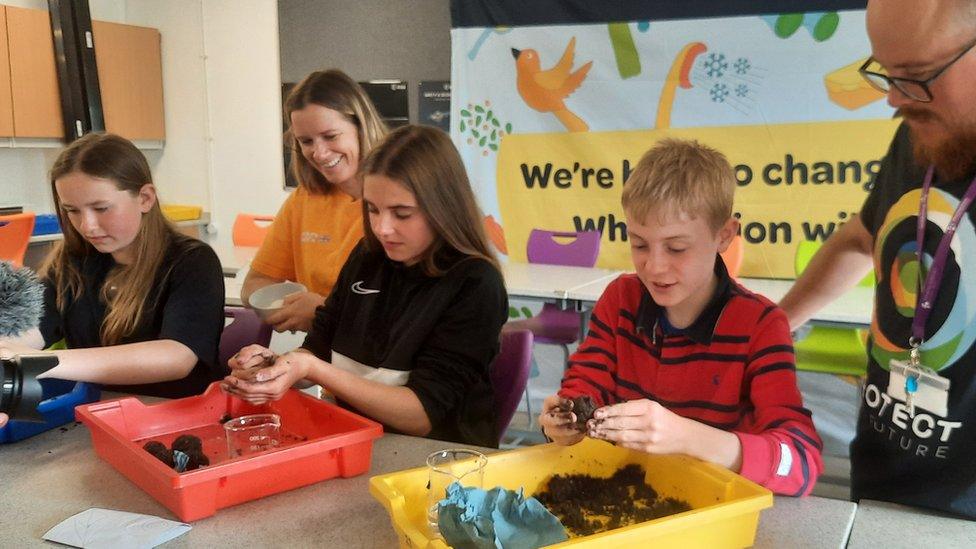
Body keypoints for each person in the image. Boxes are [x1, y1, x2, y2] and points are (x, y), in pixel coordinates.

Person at [780, 0, 976, 517]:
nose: (893, 98)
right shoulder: (922, 133)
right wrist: (775, 328)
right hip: (879, 474)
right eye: (886, 75)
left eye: (915, 75)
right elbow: (865, 236)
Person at [540, 139, 823, 496]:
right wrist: (565, 417)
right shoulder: (621, 300)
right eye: (639, 244)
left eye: (677, 248)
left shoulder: (760, 326)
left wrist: (686, 436)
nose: (654, 266)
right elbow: (586, 381)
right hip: (622, 496)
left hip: (710, 508)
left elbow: (799, 462)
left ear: (724, 235)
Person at [222, 125, 508, 447]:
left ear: (443, 208)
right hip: (357, 441)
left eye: (402, 214)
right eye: (372, 209)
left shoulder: (475, 284)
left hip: (438, 460)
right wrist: (276, 367)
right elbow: (319, 349)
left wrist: (312, 368)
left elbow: (421, 415)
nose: (383, 228)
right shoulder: (367, 256)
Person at [0, 133, 225, 398]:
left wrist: (44, 361)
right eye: (72, 210)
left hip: (173, 416)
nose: (87, 226)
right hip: (92, 414)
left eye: (102, 208)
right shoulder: (69, 262)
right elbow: (30, 330)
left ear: (145, 198)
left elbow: (176, 357)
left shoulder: (193, 261)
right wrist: (8, 348)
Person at [242, 69, 388, 333]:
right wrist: (294, 305)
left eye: (331, 136)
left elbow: (408, 312)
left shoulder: (402, 197)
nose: (319, 153)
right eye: (306, 141)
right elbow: (254, 285)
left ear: (360, 126)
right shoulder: (303, 200)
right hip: (324, 354)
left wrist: (323, 311)